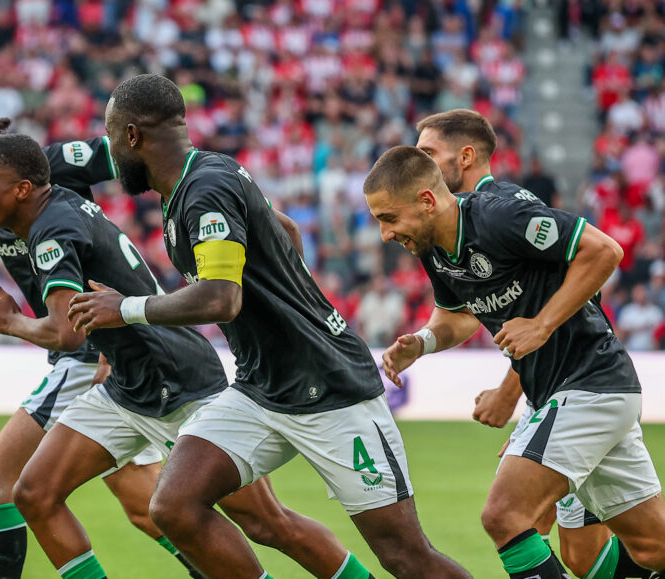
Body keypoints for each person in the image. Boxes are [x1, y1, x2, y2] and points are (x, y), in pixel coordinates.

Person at [68, 73, 471, 579]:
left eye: (111, 138)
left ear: (132, 137)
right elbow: (285, 230)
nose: (109, 152)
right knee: (174, 506)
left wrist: (125, 308)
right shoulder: (206, 177)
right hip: (262, 389)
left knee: (407, 557)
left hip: (329, 387)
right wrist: (291, 302)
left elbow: (222, 297)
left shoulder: (203, 189)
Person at [0, 133, 369, 579]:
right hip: (127, 385)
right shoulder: (59, 204)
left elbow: (64, 332)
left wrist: (11, 323)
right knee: (34, 493)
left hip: (179, 381)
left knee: (266, 521)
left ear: (22, 189)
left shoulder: (51, 231)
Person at [0, 99, 184, 579]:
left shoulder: (52, 165)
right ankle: (213, 566)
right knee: (145, 508)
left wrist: (183, 214)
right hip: (101, 347)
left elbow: (139, 151)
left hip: (87, 345)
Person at [365, 145, 665, 579]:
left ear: (426, 201)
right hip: (581, 394)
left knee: (505, 515)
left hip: (587, 384)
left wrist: (541, 325)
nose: (385, 234)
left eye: (389, 218)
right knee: (652, 548)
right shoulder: (433, 250)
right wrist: (424, 342)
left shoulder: (498, 217)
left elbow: (604, 251)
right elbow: (458, 315)